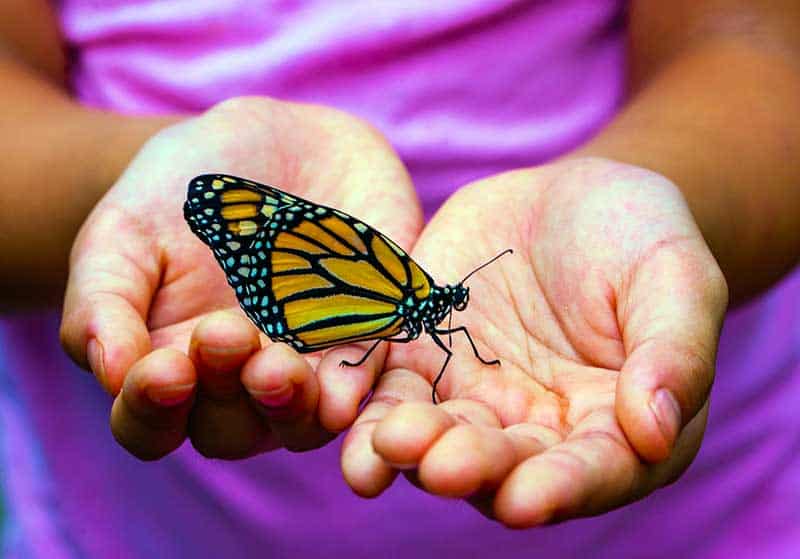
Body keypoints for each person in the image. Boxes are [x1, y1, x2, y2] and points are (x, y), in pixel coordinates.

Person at [1, 0, 798, 556]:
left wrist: (644, 204)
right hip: (133, 532)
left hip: (721, 519)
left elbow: (757, 46)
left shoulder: (413, 298)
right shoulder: (398, 288)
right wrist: (120, 188)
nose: (448, 307)